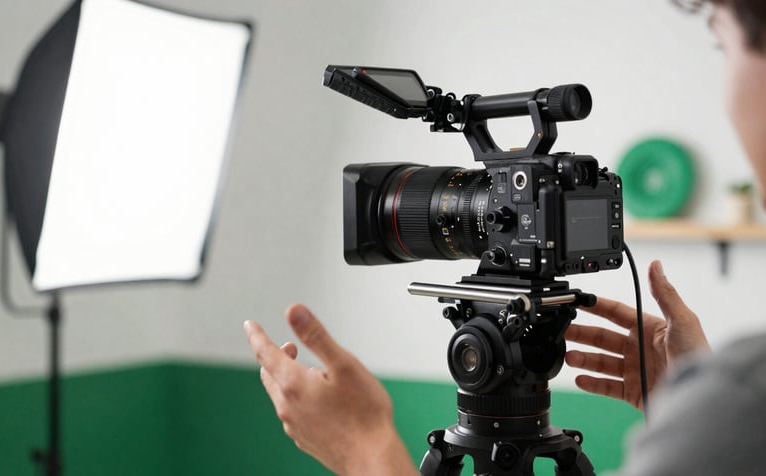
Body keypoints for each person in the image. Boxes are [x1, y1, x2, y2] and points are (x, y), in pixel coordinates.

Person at [244, 1, 766, 474]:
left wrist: (362, 448)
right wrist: (690, 402)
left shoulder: (746, 398)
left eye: (720, 44)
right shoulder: (741, 401)